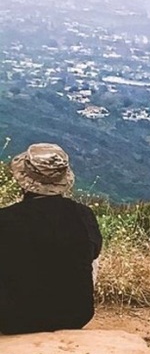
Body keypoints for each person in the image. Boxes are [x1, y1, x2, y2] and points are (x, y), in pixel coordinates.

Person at [0, 143, 103, 335]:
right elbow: (93, 254)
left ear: (23, 178)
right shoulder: (84, 215)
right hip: (76, 316)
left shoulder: (4, 219)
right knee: (90, 251)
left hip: (11, 319)